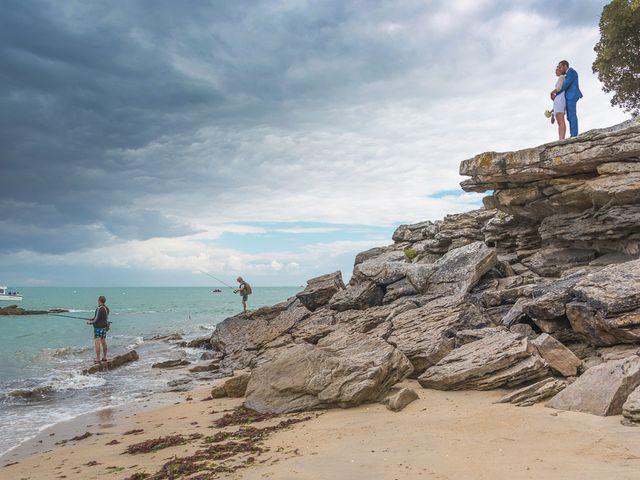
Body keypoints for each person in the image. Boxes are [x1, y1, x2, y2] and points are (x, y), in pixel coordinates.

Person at [551, 60, 583, 137]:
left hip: (572, 95)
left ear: (565, 66)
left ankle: (574, 135)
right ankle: (573, 134)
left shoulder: (571, 72)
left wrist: (555, 93)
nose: (560, 69)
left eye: (561, 67)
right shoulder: (566, 75)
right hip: (568, 97)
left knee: (572, 115)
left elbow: (565, 85)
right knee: (569, 117)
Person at [87, 295, 110, 363]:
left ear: (99, 301)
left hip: (98, 328)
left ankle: (98, 359)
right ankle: (105, 357)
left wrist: (90, 322)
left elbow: (96, 319)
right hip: (104, 328)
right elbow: (102, 318)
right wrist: (92, 318)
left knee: (97, 343)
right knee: (103, 342)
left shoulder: (99, 308)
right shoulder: (106, 309)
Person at [550, 65, 567, 140]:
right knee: (559, 122)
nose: (555, 71)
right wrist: (552, 111)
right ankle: (560, 138)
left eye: (557, 70)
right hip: (557, 101)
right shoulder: (560, 78)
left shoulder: (562, 77)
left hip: (560, 100)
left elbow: (559, 88)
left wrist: (552, 92)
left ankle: (562, 139)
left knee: (561, 121)